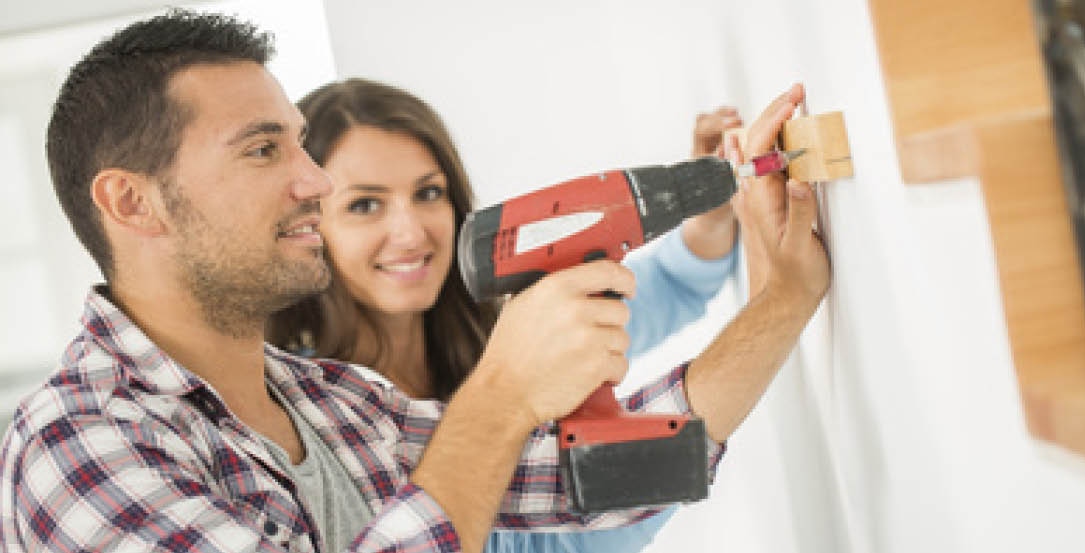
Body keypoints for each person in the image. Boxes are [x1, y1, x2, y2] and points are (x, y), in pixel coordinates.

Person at [0, 10, 828, 553]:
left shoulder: (335, 401)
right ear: (132, 202)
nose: (314, 181)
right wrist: (502, 392)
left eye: (299, 143)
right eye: (262, 150)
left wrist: (785, 296)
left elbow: (612, 478)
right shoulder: (74, 442)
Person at [266, 79, 743, 552]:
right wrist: (781, 297)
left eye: (428, 193)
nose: (410, 234)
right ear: (309, 225)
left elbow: (674, 283)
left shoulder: (502, 332)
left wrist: (704, 204)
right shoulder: (311, 424)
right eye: (365, 205)